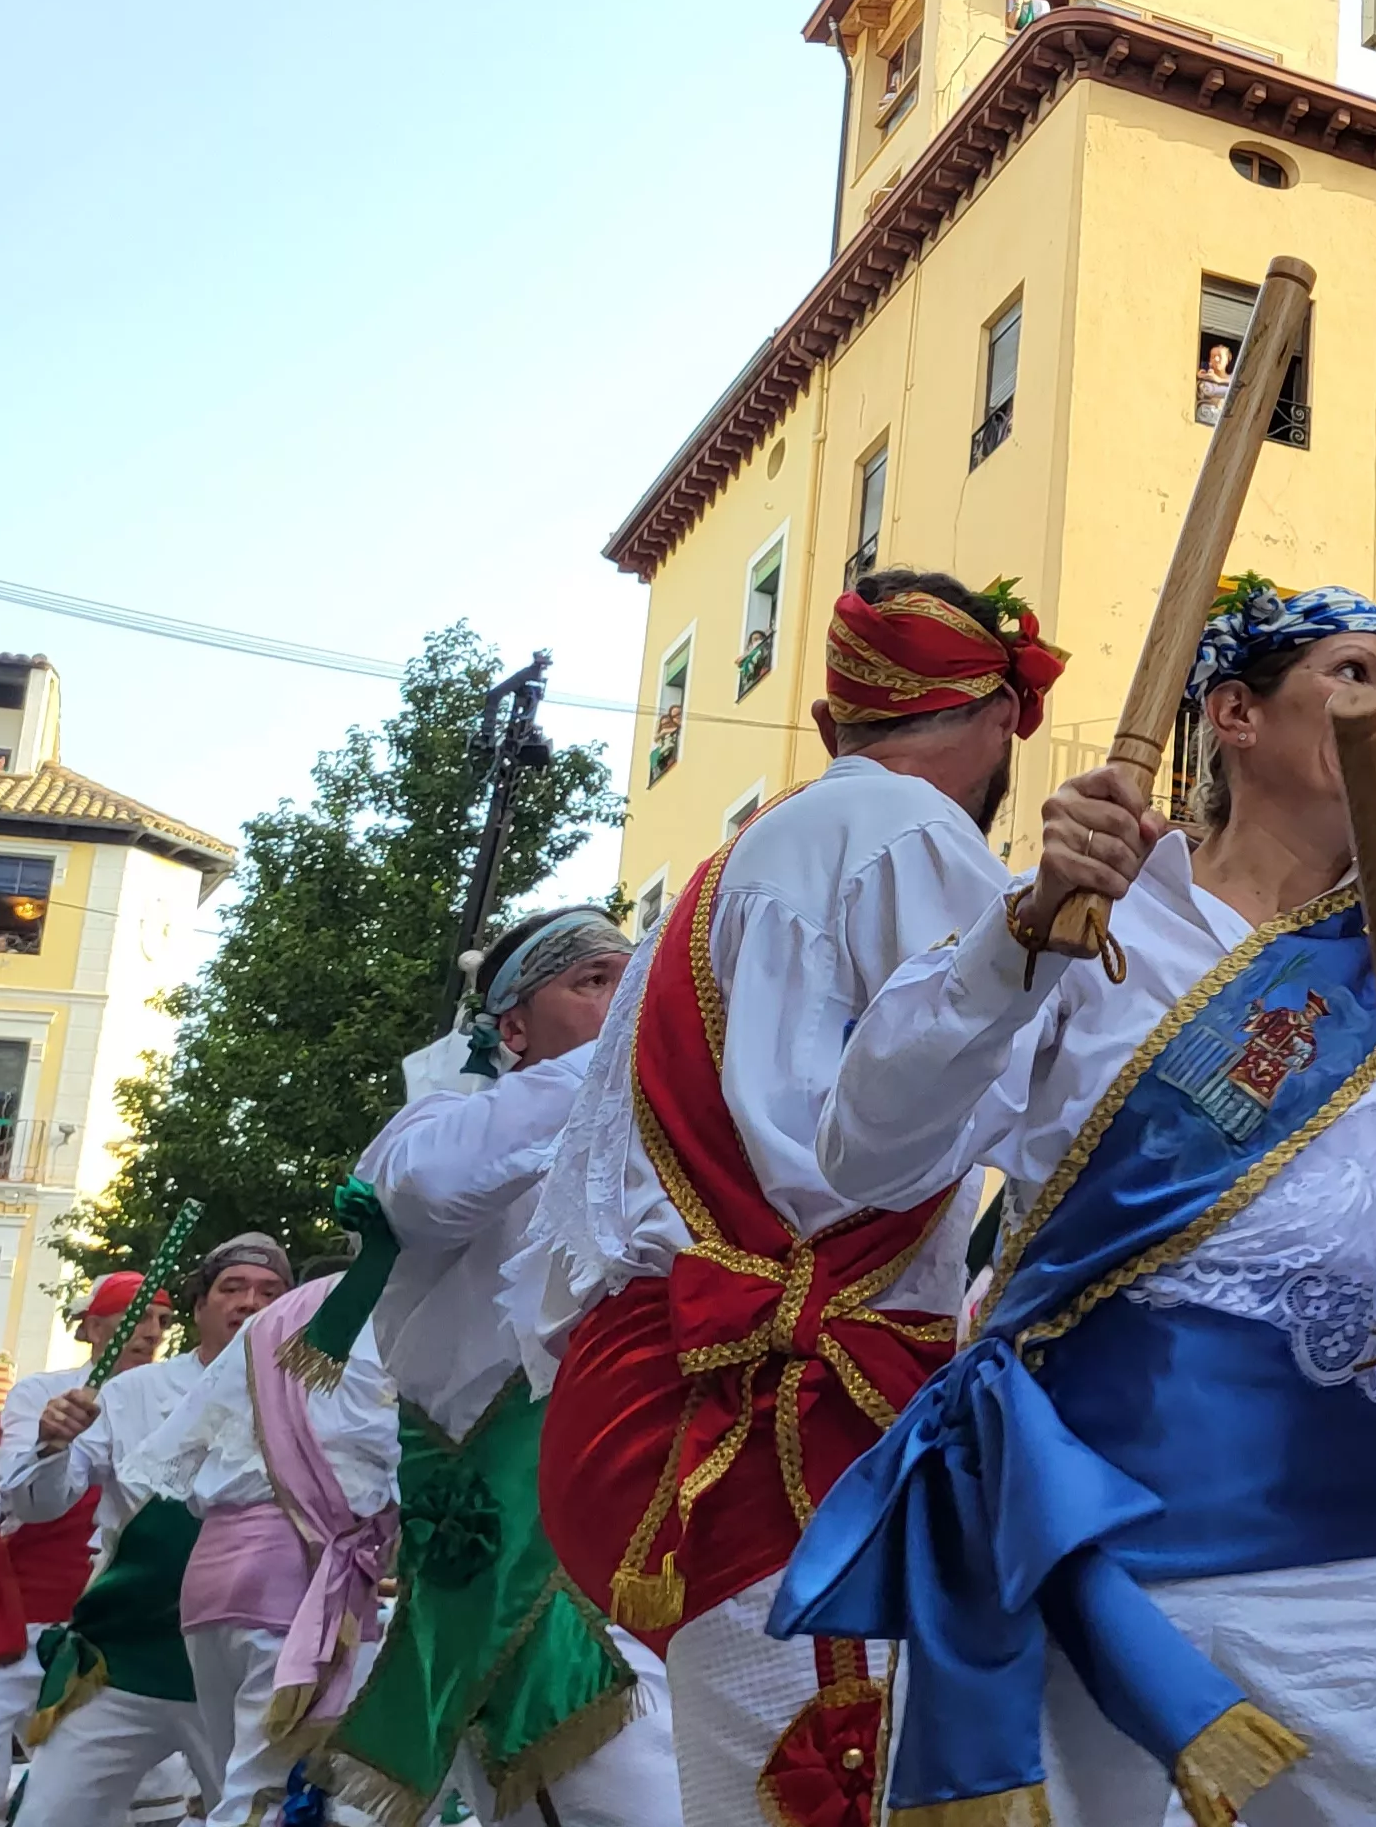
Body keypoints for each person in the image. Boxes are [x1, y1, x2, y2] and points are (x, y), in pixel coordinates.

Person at [775, 582, 1376, 1826]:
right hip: (1076, 1527)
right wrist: (1017, 938)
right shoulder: (1085, 924)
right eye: (1360, 674)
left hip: (1335, 1562)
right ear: (1234, 715)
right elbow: (869, 1151)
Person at [527, 568, 1058, 1827]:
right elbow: (985, 1105)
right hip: (788, 1413)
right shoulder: (917, 842)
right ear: (996, 724)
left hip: (690, 1381)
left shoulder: (732, 867)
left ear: (832, 727)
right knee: (829, 1779)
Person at [327, 905, 678, 1827]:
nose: (626, 998)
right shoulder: (443, 1124)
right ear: (511, 1028)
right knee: (628, 1791)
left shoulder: (669, 1129)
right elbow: (428, 1193)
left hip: (658, 1520)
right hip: (533, 1541)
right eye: (594, 982)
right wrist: (622, 1057)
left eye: (633, 976)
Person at [6, 1237, 292, 1827]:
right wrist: (52, 1443)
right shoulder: (131, 1392)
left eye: (269, 1292)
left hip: (247, 1667)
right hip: (124, 1658)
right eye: (231, 1288)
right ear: (201, 1307)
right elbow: (37, 1505)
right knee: (47, 1817)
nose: (249, 1302)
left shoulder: (317, 1399)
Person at [108, 1251, 399, 1827]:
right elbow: (380, 1459)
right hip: (293, 1584)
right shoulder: (369, 1332)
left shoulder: (260, 1339)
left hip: (211, 1587)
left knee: (243, 1784)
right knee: (265, 1794)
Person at [0, 1273, 152, 1827]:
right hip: (15, 1615)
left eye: (162, 1319)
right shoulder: (40, 1393)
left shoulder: (166, 1398)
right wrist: (54, 1442)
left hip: (108, 1624)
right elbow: (21, 1495)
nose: (150, 1331)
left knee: (124, 1792)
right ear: (94, 1327)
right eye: (136, 1315)